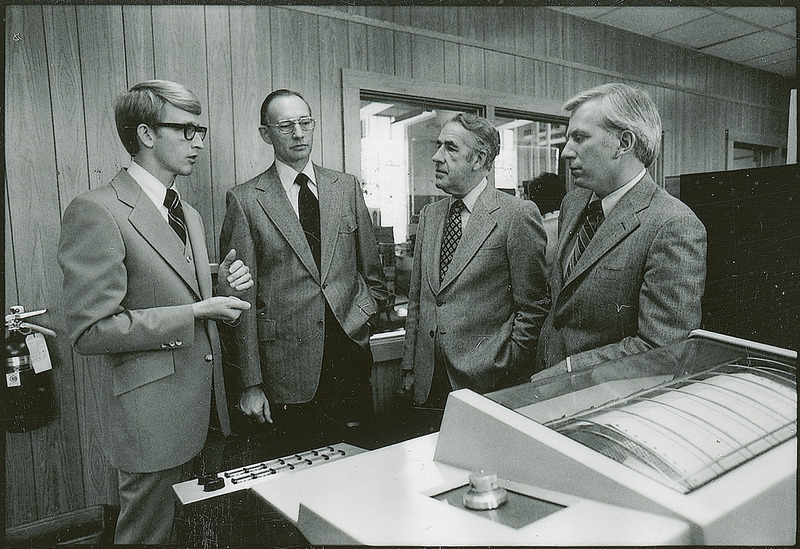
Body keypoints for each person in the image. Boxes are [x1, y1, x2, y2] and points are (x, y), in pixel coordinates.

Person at [57, 80, 252, 545]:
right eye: (186, 130)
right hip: (152, 421)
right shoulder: (96, 210)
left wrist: (219, 282)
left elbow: (170, 281)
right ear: (145, 134)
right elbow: (91, 330)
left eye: (199, 129)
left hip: (207, 411)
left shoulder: (188, 211)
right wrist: (196, 311)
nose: (199, 141)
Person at [219, 89, 390, 456]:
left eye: (304, 123)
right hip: (286, 369)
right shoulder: (246, 200)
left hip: (349, 355)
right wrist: (251, 383)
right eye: (285, 125)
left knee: (360, 468)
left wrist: (364, 315)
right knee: (299, 475)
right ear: (266, 134)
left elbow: (371, 270)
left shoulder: (345, 188)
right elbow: (240, 301)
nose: (298, 133)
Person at [533, 82, 707, 379]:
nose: (565, 152)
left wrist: (570, 372)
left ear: (624, 143)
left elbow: (663, 348)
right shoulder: (574, 203)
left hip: (605, 399)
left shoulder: (673, 224)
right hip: (544, 384)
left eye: (579, 137)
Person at [401, 113, 550, 409]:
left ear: (479, 159)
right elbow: (418, 299)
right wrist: (409, 367)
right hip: (429, 382)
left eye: (450, 148)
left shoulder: (516, 215)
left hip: (488, 383)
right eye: (438, 145)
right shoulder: (431, 216)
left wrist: (505, 364)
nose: (436, 156)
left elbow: (534, 307)